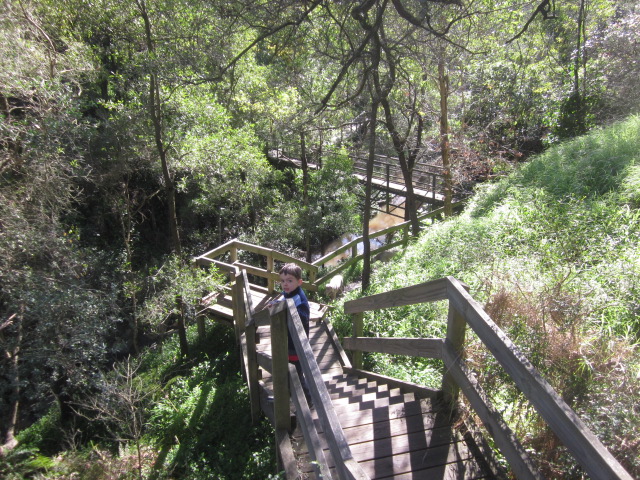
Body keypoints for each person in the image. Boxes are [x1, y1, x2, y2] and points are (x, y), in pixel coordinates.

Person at [268, 263, 312, 407]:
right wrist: (275, 303)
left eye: (290, 280)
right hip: (288, 341)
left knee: (296, 375)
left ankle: (309, 400)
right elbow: (283, 298)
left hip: (297, 343)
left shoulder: (299, 297)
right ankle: (284, 397)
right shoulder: (289, 293)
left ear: (299, 282)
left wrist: (286, 310)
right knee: (286, 370)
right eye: (282, 281)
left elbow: (303, 317)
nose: (285, 284)